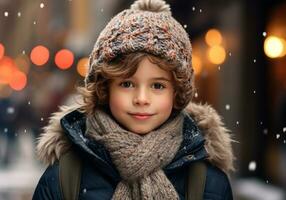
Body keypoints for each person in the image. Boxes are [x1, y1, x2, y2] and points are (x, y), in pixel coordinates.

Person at [32, 0, 235, 199]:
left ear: (176, 93)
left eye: (157, 86)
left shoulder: (207, 183)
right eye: (127, 84)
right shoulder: (64, 179)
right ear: (105, 89)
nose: (141, 99)